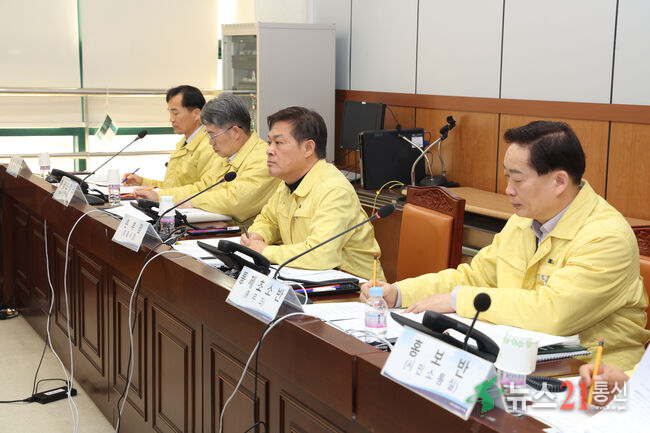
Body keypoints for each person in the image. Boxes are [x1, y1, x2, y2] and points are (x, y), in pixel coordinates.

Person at [361, 120, 649, 371]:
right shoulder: (523, 221)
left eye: (518, 179)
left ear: (560, 181)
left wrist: (459, 300)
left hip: (590, 374)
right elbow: (474, 276)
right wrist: (400, 293)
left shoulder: (606, 237)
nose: (508, 190)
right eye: (507, 176)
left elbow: (554, 314)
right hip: (519, 358)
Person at [241, 106, 385, 281]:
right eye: (269, 142)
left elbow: (321, 254)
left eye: (278, 143)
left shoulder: (334, 191)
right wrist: (258, 235)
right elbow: (268, 220)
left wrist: (265, 251)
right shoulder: (288, 182)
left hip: (357, 289)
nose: (269, 150)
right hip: (306, 278)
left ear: (308, 148)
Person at [134, 93, 280, 224]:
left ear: (235, 132)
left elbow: (235, 201)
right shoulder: (225, 156)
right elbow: (201, 188)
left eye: (212, 135)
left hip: (244, 237)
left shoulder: (264, 159)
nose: (210, 142)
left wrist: (194, 202)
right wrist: (159, 196)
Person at [123, 85, 217, 189]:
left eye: (175, 113)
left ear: (196, 114)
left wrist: (159, 195)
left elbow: (201, 191)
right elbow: (172, 187)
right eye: (170, 113)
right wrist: (142, 182)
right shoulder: (185, 142)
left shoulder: (210, 146)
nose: (171, 119)